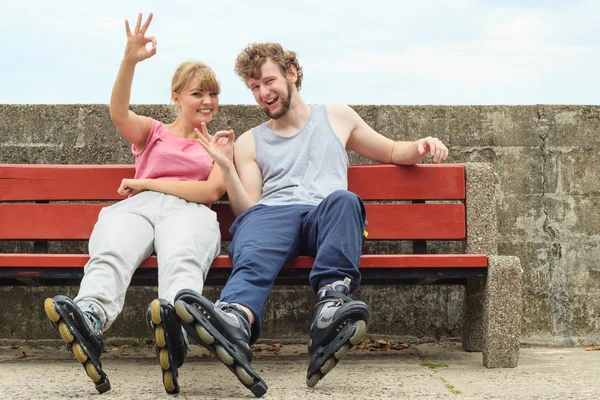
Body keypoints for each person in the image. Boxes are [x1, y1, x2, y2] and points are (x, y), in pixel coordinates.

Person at [175, 42, 449, 397]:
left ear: (291, 73)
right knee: (257, 221)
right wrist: (227, 168)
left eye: (268, 81)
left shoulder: (337, 117)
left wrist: (421, 145)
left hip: (325, 218)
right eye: (254, 87)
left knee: (345, 200)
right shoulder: (249, 141)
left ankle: (331, 306)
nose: (263, 92)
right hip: (274, 218)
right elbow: (248, 208)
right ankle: (235, 318)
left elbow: (393, 150)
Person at [43, 13, 226, 395]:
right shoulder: (153, 132)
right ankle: (90, 316)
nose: (207, 101)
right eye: (197, 94)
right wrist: (129, 60)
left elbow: (210, 193)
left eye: (213, 94)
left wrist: (146, 181)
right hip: (139, 208)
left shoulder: (221, 144)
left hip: (189, 211)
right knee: (112, 248)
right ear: (176, 98)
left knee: (183, 257)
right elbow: (118, 112)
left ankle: (174, 326)